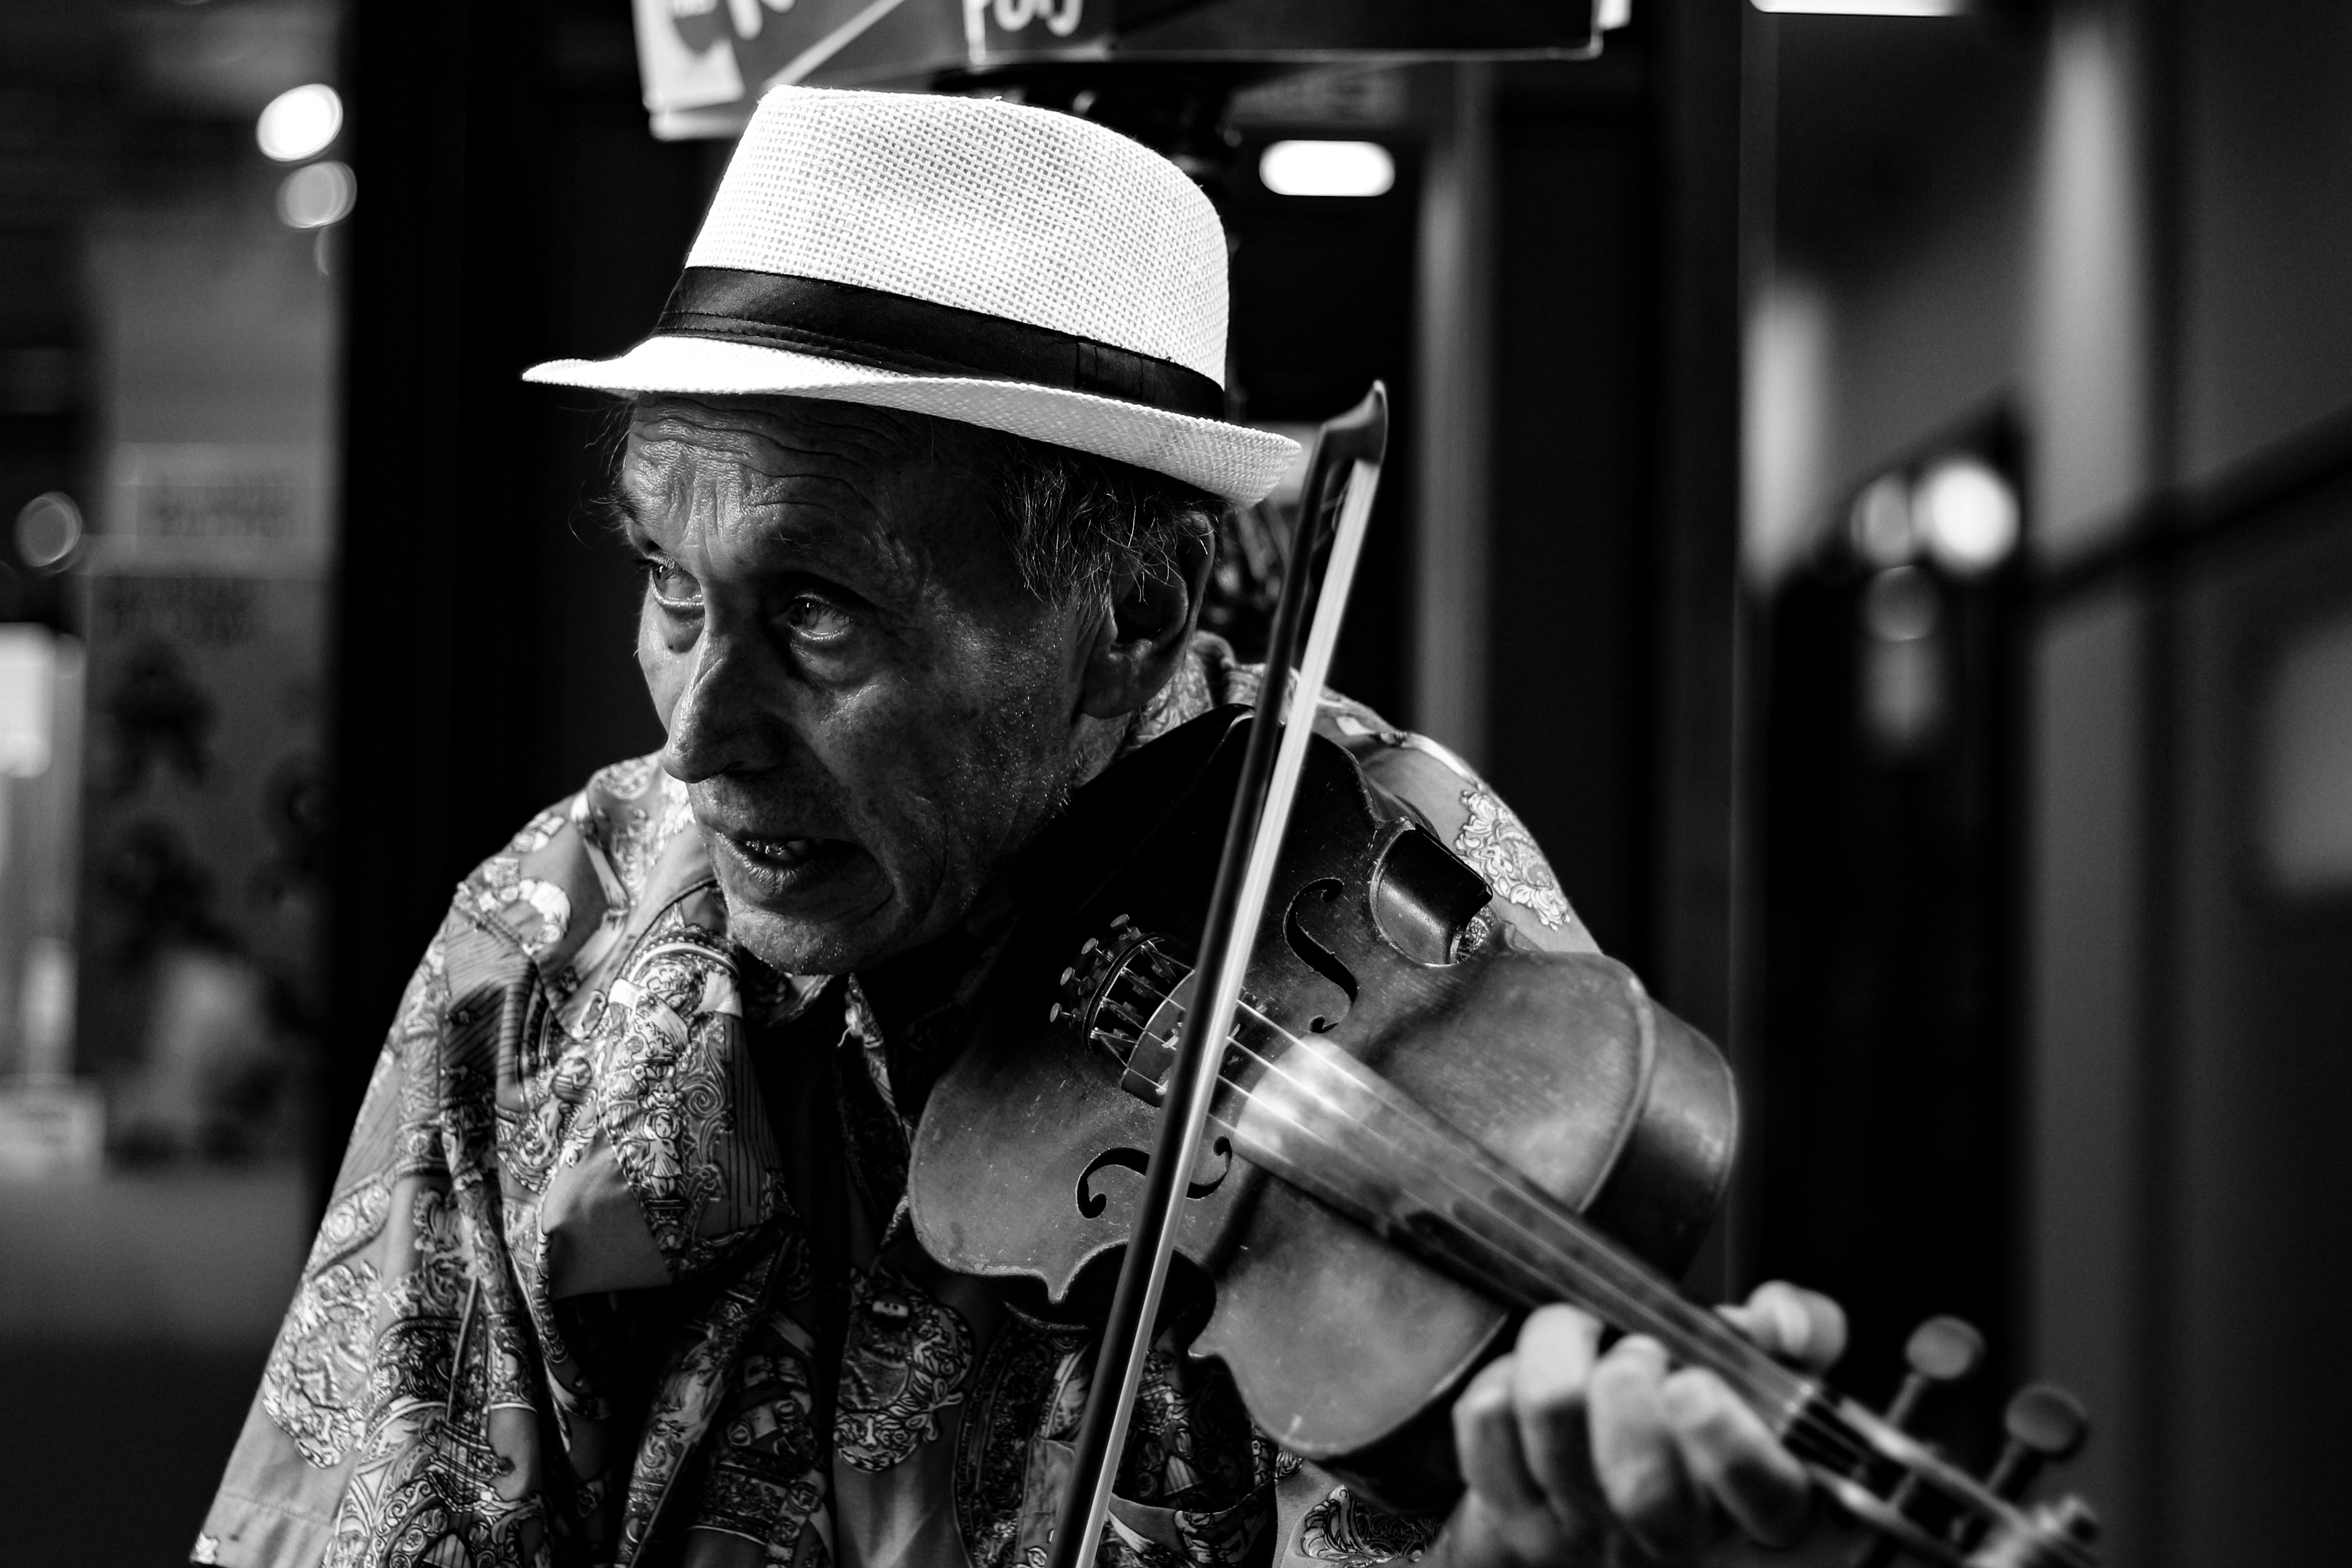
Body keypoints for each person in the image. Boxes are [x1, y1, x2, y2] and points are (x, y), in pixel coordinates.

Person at [197, 86, 1845, 1568]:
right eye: (671, 587)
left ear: (1132, 615)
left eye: (818, 610)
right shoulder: (554, 934)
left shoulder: (1400, 903)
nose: (697, 738)